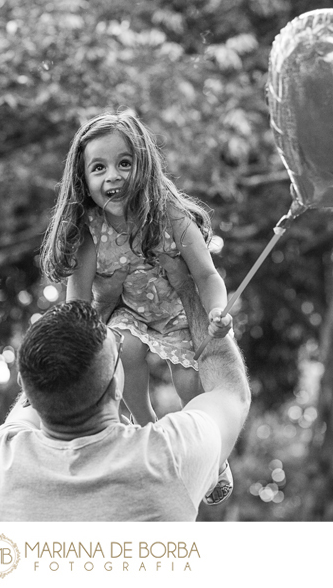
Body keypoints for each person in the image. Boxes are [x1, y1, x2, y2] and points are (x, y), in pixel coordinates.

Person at [39, 110, 235, 501]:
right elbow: (77, 306)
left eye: (124, 163)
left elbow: (207, 276)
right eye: (99, 168)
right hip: (131, 314)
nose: (113, 176)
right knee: (122, 348)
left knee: (190, 384)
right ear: (84, 180)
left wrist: (215, 312)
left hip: (181, 313)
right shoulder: (90, 232)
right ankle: (143, 424)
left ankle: (214, 456)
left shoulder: (170, 214)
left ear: (143, 165)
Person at [0, 253, 251, 521]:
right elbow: (230, 391)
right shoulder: (167, 457)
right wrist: (189, 288)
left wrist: (104, 304)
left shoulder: (0, 462)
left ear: (24, 386)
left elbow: (41, 382)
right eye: (119, 350)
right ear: (116, 387)